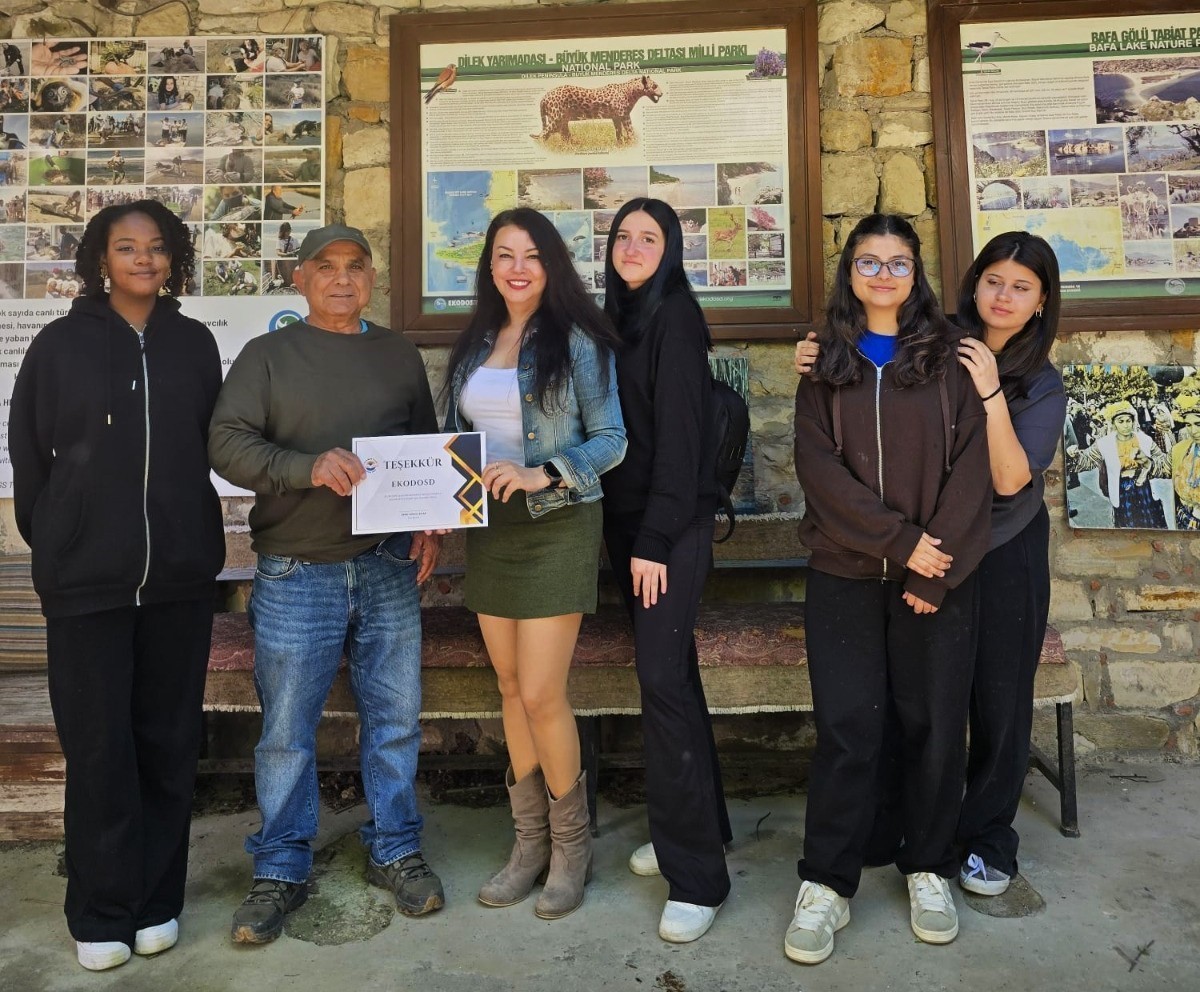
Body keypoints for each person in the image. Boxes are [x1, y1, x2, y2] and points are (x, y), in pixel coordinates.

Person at [209, 224, 447, 944]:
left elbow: (425, 447)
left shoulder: (397, 354)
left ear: (372, 278)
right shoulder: (268, 355)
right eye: (326, 267)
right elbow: (226, 442)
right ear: (301, 279)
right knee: (286, 733)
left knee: (395, 719)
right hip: (296, 570)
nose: (343, 279)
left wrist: (430, 523)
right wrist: (305, 467)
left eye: (356, 266)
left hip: (386, 567)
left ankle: (396, 848)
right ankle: (280, 866)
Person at [8, 199, 223, 972]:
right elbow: (29, 456)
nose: (143, 259)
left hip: (178, 581)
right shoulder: (59, 346)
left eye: (156, 247)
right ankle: (100, 912)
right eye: (126, 247)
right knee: (99, 749)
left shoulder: (194, 345)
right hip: (85, 587)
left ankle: (156, 903)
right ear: (101, 258)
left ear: (174, 259)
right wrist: (63, 538)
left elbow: (211, 441)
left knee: (168, 743)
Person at [787, 214, 991, 964]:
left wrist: (934, 570)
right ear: (850, 272)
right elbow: (818, 470)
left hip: (935, 581)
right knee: (847, 730)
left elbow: (972, 473)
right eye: (868, 262)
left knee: (933, 728)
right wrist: (899, 543)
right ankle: (826, 883)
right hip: (843, 576)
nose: (882, 275)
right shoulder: (824, 361)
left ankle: (928, 866)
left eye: (897, 262)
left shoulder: (950, 357)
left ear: (916, 274)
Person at [443, 207, 625, 919]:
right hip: (490, 530)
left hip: (558, 524)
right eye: (503, 255)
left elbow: (611, 440)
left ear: (552, 265)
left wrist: (541, 473)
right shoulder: (474, 342)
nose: (516, 268)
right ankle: (528, 845)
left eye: (531, 255)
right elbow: (456, 438)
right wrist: (438, 497)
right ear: (489, 266)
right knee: (511, 686)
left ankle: (571, 848)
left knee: (545, 692)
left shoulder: (578, 341)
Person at [597, 198, 731, 943]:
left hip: (669, 529)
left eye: (650, 238)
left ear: (671, 250)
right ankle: (701, 827)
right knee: (675, 675)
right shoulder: (621, 318)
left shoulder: (675, 317)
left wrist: (652, 539)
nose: (634, 247)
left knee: (661, 686)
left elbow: (681, 442)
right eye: (624, 236)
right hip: (632, 526)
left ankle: (697, 878)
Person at [945, 232, 1067, 897]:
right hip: (935, 545)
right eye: (994, 280)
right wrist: (816, 354)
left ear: (1041, 301)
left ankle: (989, 837)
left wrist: (990, 390)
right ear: (975, 284)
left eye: (1021, 287)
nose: (1003, 296)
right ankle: (929, 825)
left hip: (1004, 546)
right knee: (932, 693)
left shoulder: (1041, 382)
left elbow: (1012, 478)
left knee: (1000, 696)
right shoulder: (937, 343)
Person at [1067, 401, 1169, 527]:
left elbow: (1162, 462)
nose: (1125, 425)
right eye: (1121, 421)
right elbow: (1087, 461)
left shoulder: (1145, 440)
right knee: (1128, 527)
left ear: (1133, 421)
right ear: (1114, 423)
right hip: (1122, 491)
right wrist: (1074, 455)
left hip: (1145, 489)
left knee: (1151, 525)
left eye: (1128, 421)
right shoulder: (1105, 443)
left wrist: (1149, 465)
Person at [1170, 395, 1200, 530]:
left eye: (1198, 424)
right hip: (1185, 520)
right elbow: (1162, 469)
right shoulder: (1180, 449)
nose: (1193, 431)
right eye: (1188, 425)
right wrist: (1146, 462)